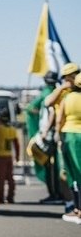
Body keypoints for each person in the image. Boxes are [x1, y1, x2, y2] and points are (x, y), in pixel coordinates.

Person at [44, 62, 79, 215]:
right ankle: (71, 203)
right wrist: (62, 88)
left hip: (69, 135)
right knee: (65, 173)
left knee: (74, 171)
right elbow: (48, 103)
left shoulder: (72, 95)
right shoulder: (63, 93)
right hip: (65, 135)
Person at [25, 71, 60, 203]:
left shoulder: (48, 94)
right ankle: (56, 193)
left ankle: (55, 194)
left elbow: (51, 112)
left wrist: (45, 131)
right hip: (52, 133)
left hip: (49, 134)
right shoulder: (56, 91)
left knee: (50, 165)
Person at [56, 73, 81, 224]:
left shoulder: (68, 98)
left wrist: (58, 137)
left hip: (69, 136)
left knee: (74, 173)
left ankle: (77, 209)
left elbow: (59, 120)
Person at [0, 108, 20, 204]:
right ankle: (10, 196)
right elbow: (16, 144)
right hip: (9, 156)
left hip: (0, 156)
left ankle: (1, 197)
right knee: (10, 177)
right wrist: (17, 156)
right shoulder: (12, 129)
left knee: (1, 178)